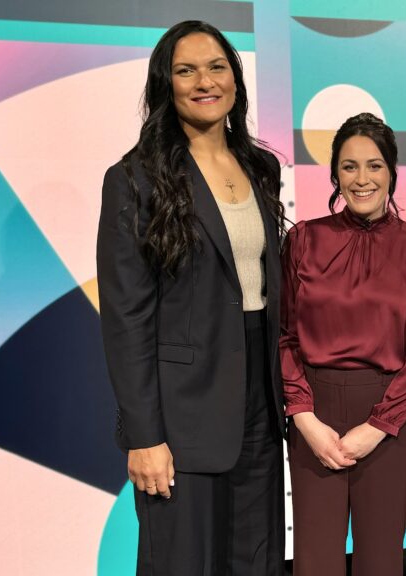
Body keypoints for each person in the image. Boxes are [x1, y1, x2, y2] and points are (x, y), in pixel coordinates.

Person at [97, 20, 287, 575]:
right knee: (182, 562)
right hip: (180, 414)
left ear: (235, 78)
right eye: (186, 70)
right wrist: (144, 436)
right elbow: (126, 318)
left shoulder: (261, 167)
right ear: (166, 84)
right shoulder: (135, 179)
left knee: (255, 559)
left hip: (259, 402)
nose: (204, 81)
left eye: (216, 66)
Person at [280, 112, 406, 576]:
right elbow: (284, 335)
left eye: (374, 165)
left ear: (392, 171)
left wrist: (378, 425)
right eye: (349, 166)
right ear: (334, 174)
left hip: (389, 418)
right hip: (314, 413)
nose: (362, 178)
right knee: (314, 562)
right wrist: (305, 417)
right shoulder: (302, 240)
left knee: (380, 560)